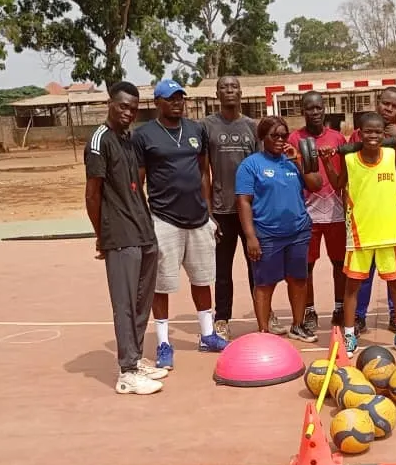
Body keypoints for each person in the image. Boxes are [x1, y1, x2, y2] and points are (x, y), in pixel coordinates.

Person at [133, 79, 227, 370]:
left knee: (202, 278)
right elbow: (138, 180)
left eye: (180, 98)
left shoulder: (195, 130)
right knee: (161, 284)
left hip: (198, 219)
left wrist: (209, 213)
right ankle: (163, 342)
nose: (177, 102)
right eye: (171, 98)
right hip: (163, 219)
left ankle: (208, 335)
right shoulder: (144, 135)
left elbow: (203, 173)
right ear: (157, 102)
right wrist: (143, 220)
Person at [84, 82, 168, 395]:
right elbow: (92, 194)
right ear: (110, 104)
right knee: (124, 303)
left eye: (133, 108)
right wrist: (101, 235)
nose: (127, 113)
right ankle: (127, 372)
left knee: (141, 300)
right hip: (119, 234)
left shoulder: (129, 140)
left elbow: (136, 186)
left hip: (143, 230)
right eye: (122, 106)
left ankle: (135, 356)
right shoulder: (99, 140)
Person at [322, 112, 396, 357]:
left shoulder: (391, 154)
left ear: (384, 134)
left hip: (389, 232)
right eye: (368, 131)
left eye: (378, 132)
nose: (373, 136)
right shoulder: (350, 158)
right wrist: (326, 161)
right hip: (360, 234)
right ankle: (349, 335)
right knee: (353, 286)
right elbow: (337, 184)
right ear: (359, 132)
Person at [204, 76, 287, 339]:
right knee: (222, 269)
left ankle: (265, 314)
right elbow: (203, 171)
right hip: (222, 210)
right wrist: (207, 212)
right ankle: (222, 319)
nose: (229, 91)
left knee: (258, 266)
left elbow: (263, 166)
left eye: (234, 87)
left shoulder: (252, 126)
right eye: (224, 87)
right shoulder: (206, 126)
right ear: (217, 93)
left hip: (251, 210)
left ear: (241, 93)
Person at [235, 116, 323, 339]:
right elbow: (243, 201)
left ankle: (297, 325)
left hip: (298, 232)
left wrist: (297, 161)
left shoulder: (291, 160)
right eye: (275, 135)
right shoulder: (251, 165)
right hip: (267, 234)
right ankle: (264, 331)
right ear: (262, 137)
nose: (280, 140)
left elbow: (316, 185)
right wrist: (250, 237)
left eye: (284, 135)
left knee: (298, 279)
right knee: (265, 283)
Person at [351, 88, 396, 335]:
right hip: (368, 207)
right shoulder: (360, 134)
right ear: (377, 104)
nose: (388, 108)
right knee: (364, 267)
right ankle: (358, 317)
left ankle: (394, 315)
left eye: (394, 105)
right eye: (385, 103)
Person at [287, 92, 347, 336]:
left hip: (335, 211)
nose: (314, 112)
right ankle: (309, 311)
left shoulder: (337, 138)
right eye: (309, 108)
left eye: (318, 108)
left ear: (325, 109)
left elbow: (344, 176)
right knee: (307, 266)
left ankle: (340, 308)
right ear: (303, 111)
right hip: (306, 213)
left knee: (339, 263)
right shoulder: (294, 138)